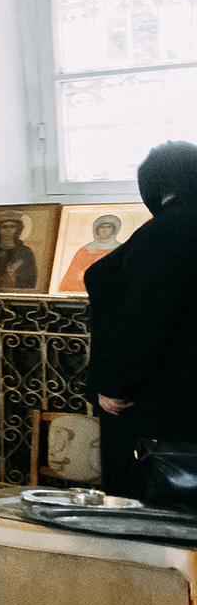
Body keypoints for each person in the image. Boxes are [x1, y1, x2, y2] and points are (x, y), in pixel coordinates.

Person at [87, 142, 197, 501]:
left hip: (163, 401)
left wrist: (115, 383)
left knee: (149, 507)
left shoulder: (168, 231)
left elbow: (146, 317)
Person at [56, 212, 124, 293]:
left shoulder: (121, 250)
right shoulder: (85, 251)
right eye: (102, 227)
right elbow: (71, 278)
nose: (104, 230)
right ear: (96, 230)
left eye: (108, 227)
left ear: (114, 230)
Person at [0, 216, 38, 291]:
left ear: (17, 229)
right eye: (4, 227)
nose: (8, 230)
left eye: (12, 226)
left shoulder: (25, 251)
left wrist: (14, 274)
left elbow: (30, 278)